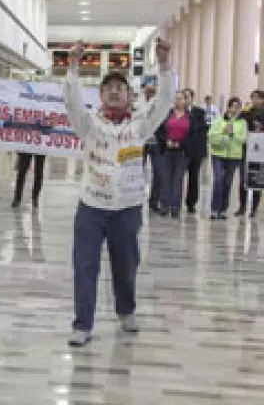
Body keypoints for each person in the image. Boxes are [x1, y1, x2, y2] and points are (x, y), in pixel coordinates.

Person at [64, 39, 174, 347]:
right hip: (91, 206)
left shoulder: (140, 125)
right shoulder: (89, 124)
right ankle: (83, 324)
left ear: (129, 95)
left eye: (120, 87)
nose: (114, 91)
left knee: (126, 265)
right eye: (109, 88)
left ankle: (126, 310)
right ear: (100, 95)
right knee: (85, 264)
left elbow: (165, 101)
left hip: (127, 206)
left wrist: (164, 64)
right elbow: (72, 102)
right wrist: (72, 65)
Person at [154, 91, 194, 218]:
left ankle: (175, 207)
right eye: (176, 99)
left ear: (185, 101)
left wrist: (180, 144)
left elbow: (193, 135)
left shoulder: (190, 117)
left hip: (182, 151)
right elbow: (158, 131)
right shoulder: (167, 114)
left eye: (180, 99)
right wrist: (166, 141)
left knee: (178, 179)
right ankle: (164, 206)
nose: (178, 101)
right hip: (166, 150)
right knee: (165, 179)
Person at [209, 97, 247, 220]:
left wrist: (232, 134)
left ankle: (223, 209)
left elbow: (243, 139)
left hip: (234, 157)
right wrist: (224, 133)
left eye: (238, 107)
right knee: (218, 180)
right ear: (228, 107)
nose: (235, 109)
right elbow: (211, 136)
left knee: (227, 182)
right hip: (218, 155)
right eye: (233, 106)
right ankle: (214, 209)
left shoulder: (242, 122)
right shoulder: (219, 120)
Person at [235, 90, 264, 217]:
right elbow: (238, 121)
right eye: (253, 98)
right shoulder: (248, 111)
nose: (254, 100)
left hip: (260, 150)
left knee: (256, 178)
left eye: (256, 98)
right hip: (246, 148)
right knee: (243, 179)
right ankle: (242, 206)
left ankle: (254, 208)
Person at [182, 88, 208, 214]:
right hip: (182, 149)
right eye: (183, 97)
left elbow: (201, 128)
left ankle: (191, 203)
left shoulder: (199, 112)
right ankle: (174, 202)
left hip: (196, 149)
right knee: (178, 176)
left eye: (187, 96)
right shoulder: (176, 112)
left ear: (192, 98)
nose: (185, 99)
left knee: (193, 176)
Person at [142, 82, 162, 211]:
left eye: (153, 91)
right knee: (136, 171)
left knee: (158, 172)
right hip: (141, 142)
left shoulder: (160, 105)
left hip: (156, 142)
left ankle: (154, 201)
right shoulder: (138, 104)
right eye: (148, 91)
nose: (150, 93)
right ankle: (135, 198)